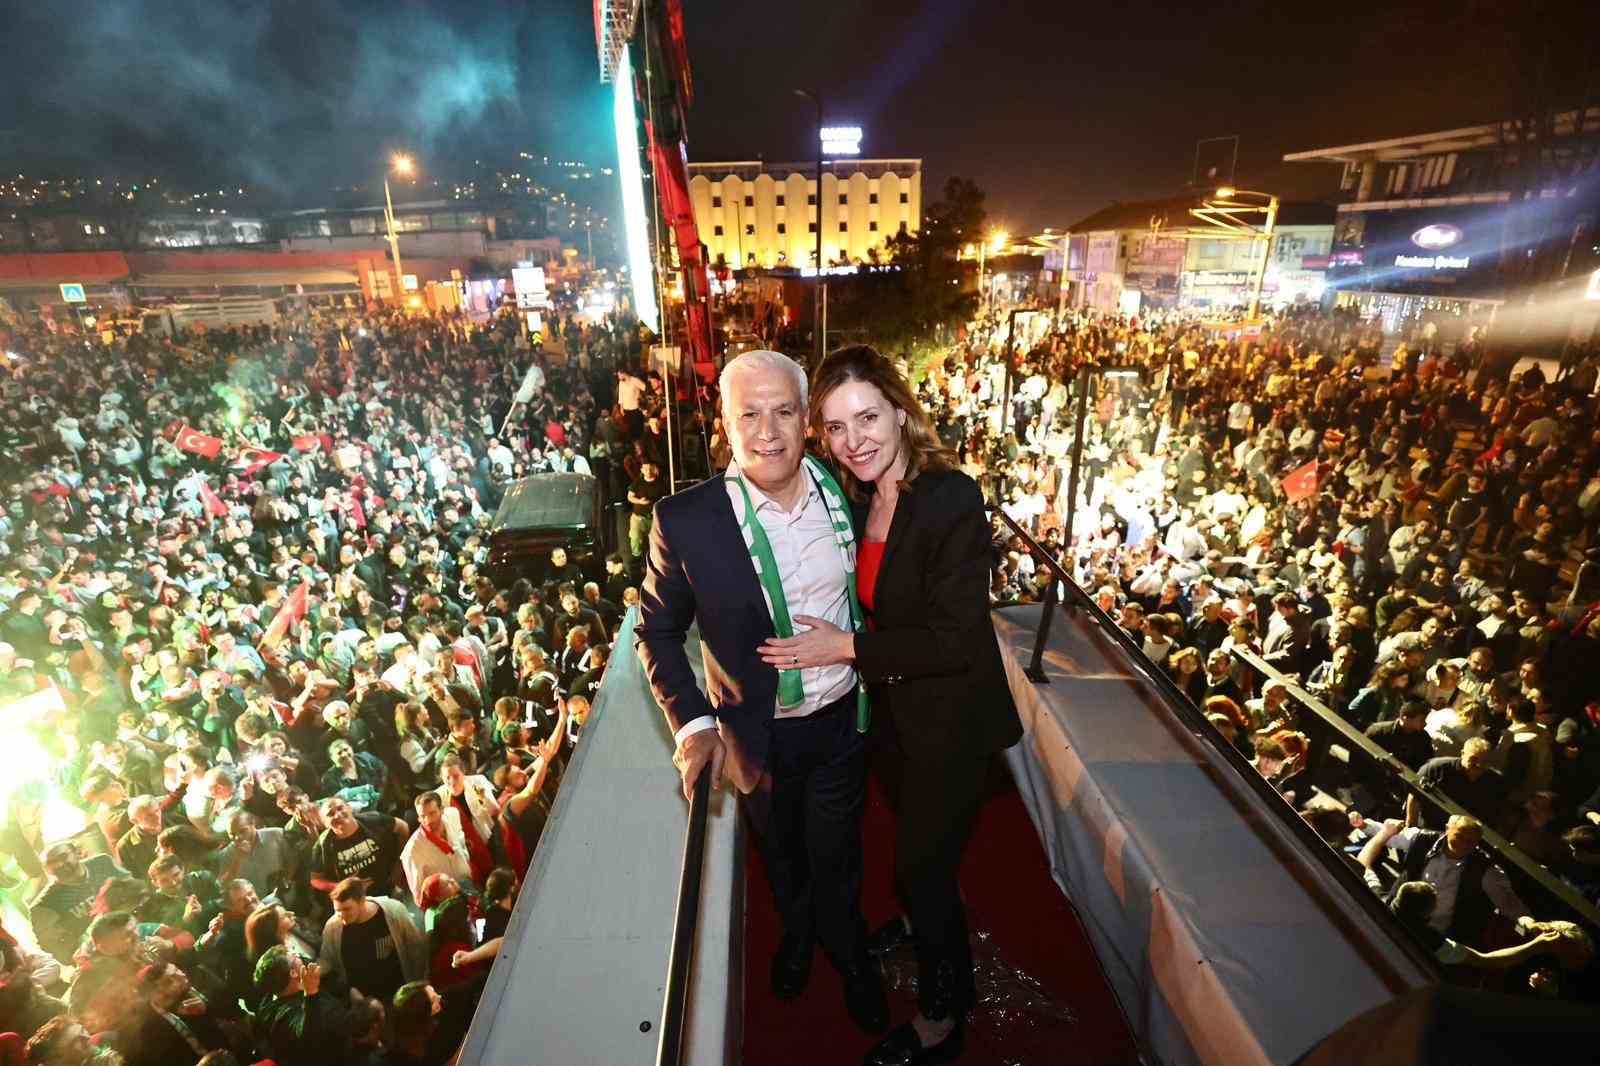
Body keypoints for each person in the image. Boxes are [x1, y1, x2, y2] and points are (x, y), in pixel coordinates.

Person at [768, 344, 1023, 1065]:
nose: (855, 440)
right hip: (894, 717)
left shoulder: (949, 497)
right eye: (837, 427)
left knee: (921, 868)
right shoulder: (855, 497)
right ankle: (917, 925)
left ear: (902, 413)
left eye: (868, 418)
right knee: (919, 848)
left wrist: (844, 648)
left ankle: (943, 1016)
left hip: (951, 724)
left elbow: (953, 639)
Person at [635, 350, 889, 1036]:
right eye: (749, 413)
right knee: (782, 858)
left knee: (838, 853)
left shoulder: (850, 487)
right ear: (725, 423)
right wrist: (694, 727)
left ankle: (850, 954)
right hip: (757, 736)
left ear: (808, 420)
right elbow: (657, 632)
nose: (768, 431)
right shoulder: (685, 520)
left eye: (784, 411)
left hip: (844, 719)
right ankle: (798, 936)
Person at [316, 877, 427, 1004]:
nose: (342, 915)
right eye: (338, 910)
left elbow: (416, 948)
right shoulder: (333, 927)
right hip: (364, 1003)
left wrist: (419, 986)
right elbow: (327, 959)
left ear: (361, 901)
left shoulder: (394, 911)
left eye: (347, 909)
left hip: (397, 995)